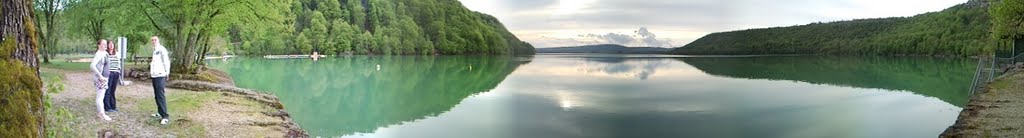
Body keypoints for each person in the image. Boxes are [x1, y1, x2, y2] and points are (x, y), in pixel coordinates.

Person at [149, 36, 172, 125]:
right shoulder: (154, 51)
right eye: (152, 40)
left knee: (160, 95)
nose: (153, 41)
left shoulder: (162, 49)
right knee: (156, 95)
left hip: (161, 75)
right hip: (154, 75)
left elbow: (166, 61)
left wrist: (167, 72)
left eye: (155, 40)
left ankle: (165, 116)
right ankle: (159, 112)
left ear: (158, 41)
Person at [89, 39, 112, 121]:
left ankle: (101, 113)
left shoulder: (105, 53)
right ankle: (102, 114)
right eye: (103, 44)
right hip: (101, 79)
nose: (105, 45)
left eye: (106, 44)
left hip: (106, 78)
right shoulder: (98, 54)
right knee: (100, 97)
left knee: (102, 96)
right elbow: (92, 65)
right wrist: (100, 75)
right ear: (99, 45)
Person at [104, 41, 122, 112]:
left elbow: (119, 63)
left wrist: (119, 70)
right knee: (108, 90)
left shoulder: (117, 53)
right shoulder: (106, 54)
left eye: (112, 44)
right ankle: (107, 107)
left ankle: (113, 105)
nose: (111, 46)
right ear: (107, 45)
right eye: (110, 44)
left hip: (116, 73)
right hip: (109, 73)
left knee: (113, 90)